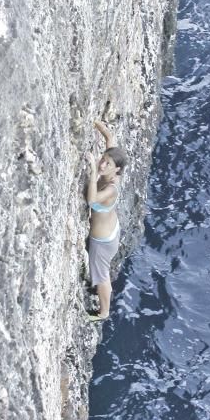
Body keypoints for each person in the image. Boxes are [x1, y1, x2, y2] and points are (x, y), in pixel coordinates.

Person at [86, 120, 128, 322]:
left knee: (101, 277)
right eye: (103, 159)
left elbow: (92, 199)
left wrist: (94, 172)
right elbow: (110, 138)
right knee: (102, 272)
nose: (103, 164)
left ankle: (103, 312)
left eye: (108, 164)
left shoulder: (111, 188)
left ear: (117, 170)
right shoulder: (112, 161)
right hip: (111, 231)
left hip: (101, 242)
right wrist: (95, 123)